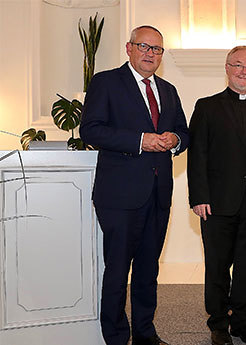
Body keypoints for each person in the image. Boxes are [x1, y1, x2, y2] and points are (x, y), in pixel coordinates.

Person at [80, 25, 189, 345]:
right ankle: (115, 336)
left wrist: (175, 140)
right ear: (129, 48)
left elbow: (185, 132)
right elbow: (91, 130)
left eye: (156, 49)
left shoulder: (168, 90)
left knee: (147, 269)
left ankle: (145, 332)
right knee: (117, 271)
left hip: (158, 194)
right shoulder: (106, 82)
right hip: (119, 195)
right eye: (144, 46)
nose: (150, 54)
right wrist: (140, 141)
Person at [187, 45, 246, 345]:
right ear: (227, 68)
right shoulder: (206, 106)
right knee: (217, 267)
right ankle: (218, 324)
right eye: (238, 65)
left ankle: (242, 322)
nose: (244, 71)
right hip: (216, 204)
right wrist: (199, 196)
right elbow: (197, 155)